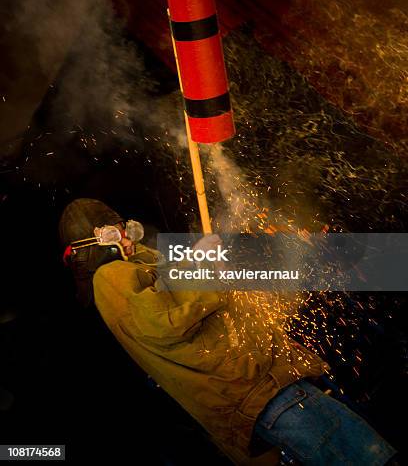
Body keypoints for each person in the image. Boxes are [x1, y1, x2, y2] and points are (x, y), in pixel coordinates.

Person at [59, 198, 398, 465]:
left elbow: (185, 299)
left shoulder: (135, 269)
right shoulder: (110, 277)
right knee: (368, 458)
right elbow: (161, 317)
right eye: (119, 232)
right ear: (99, 239)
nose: (129, 239)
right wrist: (200, 264)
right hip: (262, 391)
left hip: (267, 387)